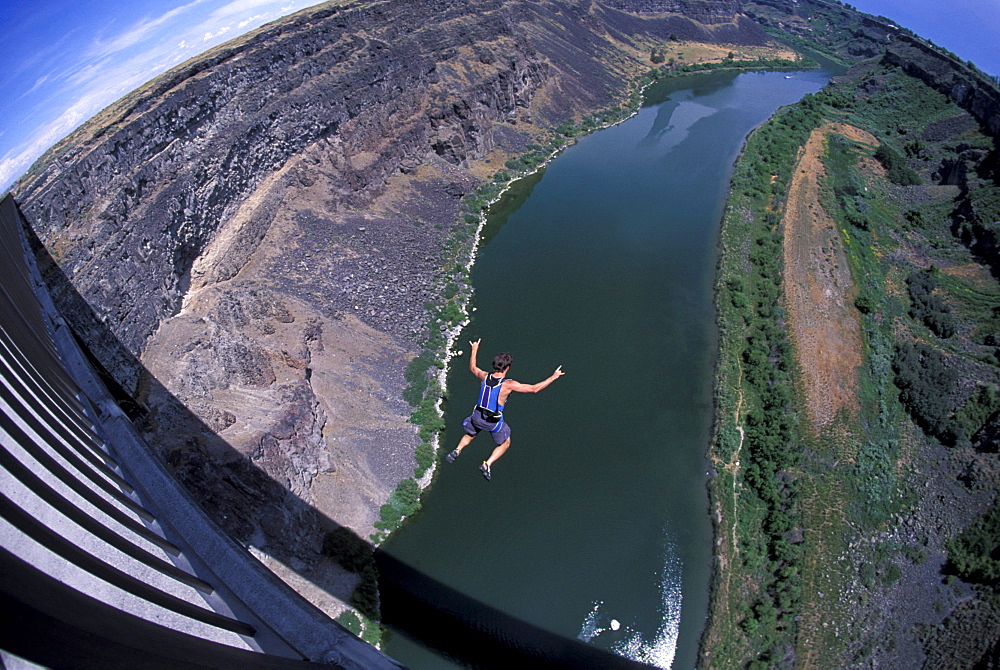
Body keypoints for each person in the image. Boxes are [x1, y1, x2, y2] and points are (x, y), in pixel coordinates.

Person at [445, 338, 564, 480]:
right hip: (492, 422)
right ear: (507, 368)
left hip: (477, 416)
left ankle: (458, 450)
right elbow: (534, 389)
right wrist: (553, 377)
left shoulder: (484, 376)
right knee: (506, 443)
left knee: (471, 434)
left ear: (494, 365)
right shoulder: (508, 384)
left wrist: (474, 349)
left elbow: (472, 368)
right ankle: (487, 464)